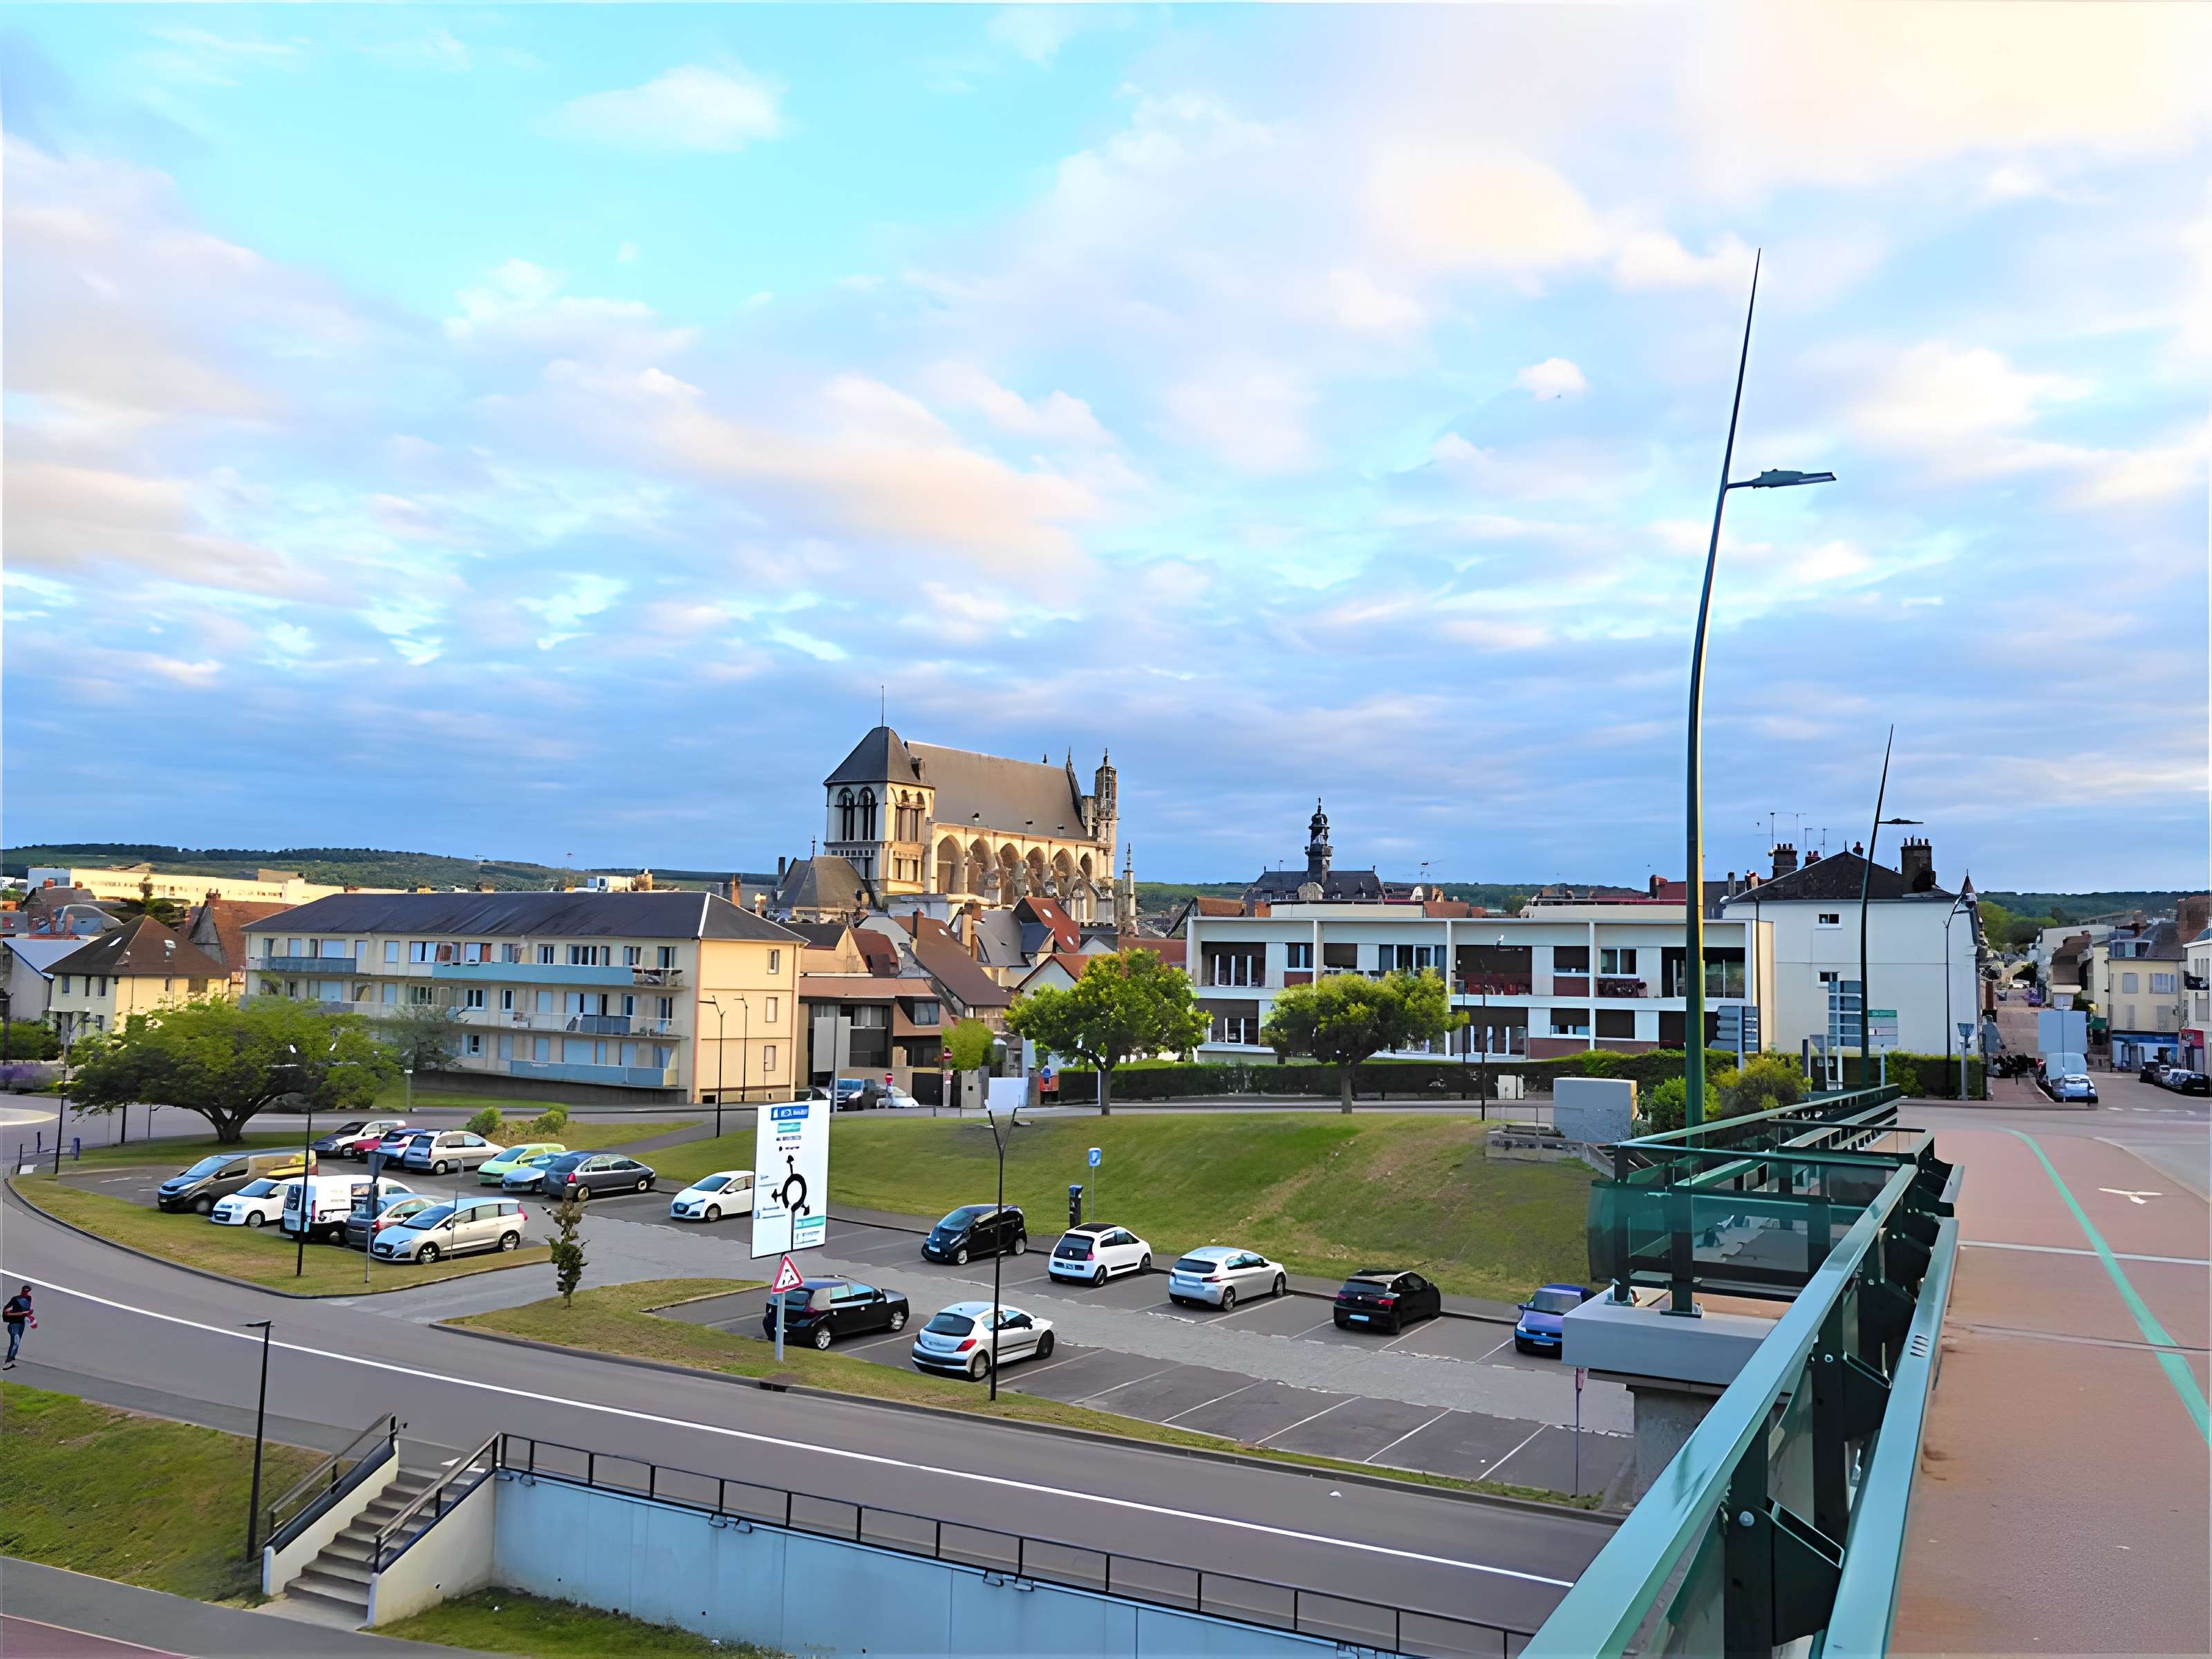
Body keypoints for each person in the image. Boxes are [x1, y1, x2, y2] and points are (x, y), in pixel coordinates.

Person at [3, 1284, 32, 1369]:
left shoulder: (29, 1298)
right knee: (16, 1342)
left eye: (27, 1292)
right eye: (25, 1291)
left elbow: (28, 1309)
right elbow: (6, 1310)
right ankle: (8, 1362)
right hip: (14, 1324)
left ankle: (11, 1360)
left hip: (21, 1324)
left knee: (16, 1343)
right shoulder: (15, 1299)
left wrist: (28, 1313)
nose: (26, 1293)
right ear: (22, 1290)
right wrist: (19, 1314)